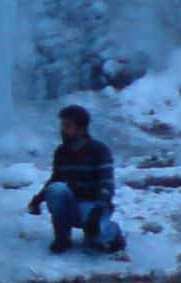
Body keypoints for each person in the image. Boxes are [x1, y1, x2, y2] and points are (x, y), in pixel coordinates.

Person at [30, 105, 125, 254]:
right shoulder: (61, 152)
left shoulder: (99, 151)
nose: (63, 130)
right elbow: (56, 178)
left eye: (68, 126)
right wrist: (37, 200)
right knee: (56, 189)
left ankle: (113, 232)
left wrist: (97, 212)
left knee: (97, 236)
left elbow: (107, 185)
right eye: (62, 125)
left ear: (82, 129)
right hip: (73, 202)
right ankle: (62, 238)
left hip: (95, 205)